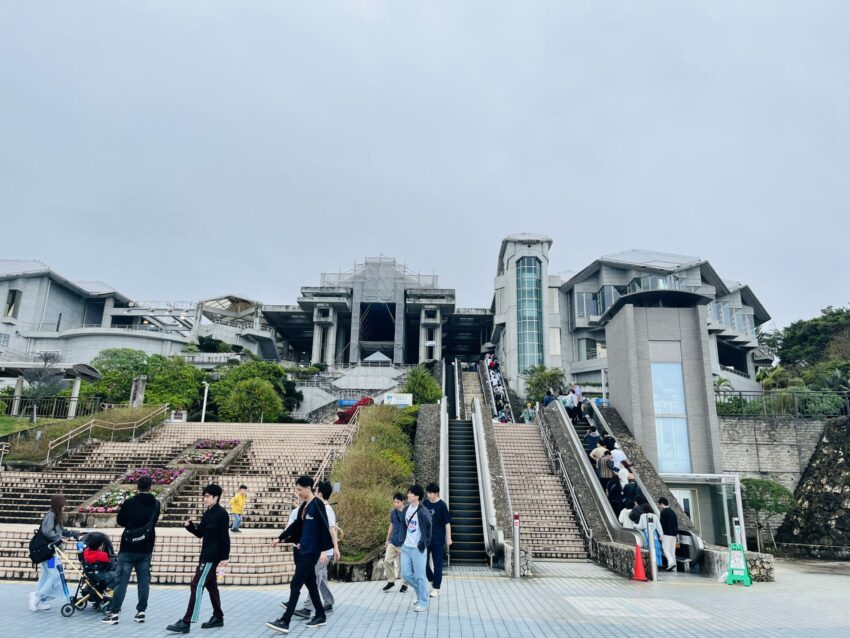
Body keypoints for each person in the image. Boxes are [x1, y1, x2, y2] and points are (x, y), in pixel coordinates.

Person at [266, 475, 334, 633]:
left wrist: (324, 550)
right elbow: (297, 525)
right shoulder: (304, 506)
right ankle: (320, 615)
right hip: (303, 550)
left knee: (295, 583)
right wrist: (280, 538)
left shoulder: (317, 504)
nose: (298, 492)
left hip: (312, 552)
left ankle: (285, 620)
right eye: (297, 489)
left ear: (309, 488)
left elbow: (325, 528)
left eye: (300, 489)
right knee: (310, 584)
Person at [166, 484, 230, 633]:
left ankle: (187, 621)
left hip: (211, 557)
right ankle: (218, 617)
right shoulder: (207, 513)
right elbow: (200, 533)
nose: (204, 498)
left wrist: (225, 557)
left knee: (197, 585)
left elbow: (224, 537)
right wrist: (190, 527)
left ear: (216, 497)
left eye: (207, 496)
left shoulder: (222, 514)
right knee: (211, 586)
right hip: (205, 555)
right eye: (204, 496)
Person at [102, 475, 160, 625]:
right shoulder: (156, 504)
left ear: (137, 487)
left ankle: (114, 613)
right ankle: (141, 612)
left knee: (121, 581)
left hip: (128, 547)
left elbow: (120, 520)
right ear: (150, 487)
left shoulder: (129, 502)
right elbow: (154, 521)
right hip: (146, 547)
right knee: (143, 581)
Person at [295, 481, 340, 618]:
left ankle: (309, 608)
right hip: (321, 550)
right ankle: (329, 601)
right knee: (321, 577)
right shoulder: (318, 506)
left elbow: (332, 529)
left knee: (314, 577)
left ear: (319, 493)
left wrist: (333, 549)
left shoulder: (325, 508)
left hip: (324, 552)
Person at [30, 495, 80, 611]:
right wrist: (59, 539)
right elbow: (47, 531)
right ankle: (37, 596)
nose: (64, 508)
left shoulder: (55, 516)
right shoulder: (51, 515)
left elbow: (61, 530)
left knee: (46, 575)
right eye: (63, 505)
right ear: (59, 505)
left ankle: (40, 601)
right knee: (55, 575)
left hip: (51, 552)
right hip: (47, 551)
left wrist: (74, 533)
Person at [400, 485, 432, 613]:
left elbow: (429, 530)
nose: (408, 495)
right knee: (406, 574)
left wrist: (423, 544)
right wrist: (402, 540)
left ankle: (423, 601)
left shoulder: (423, 512)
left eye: (410, 493)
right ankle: (421, 592)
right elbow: (403, 525)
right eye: (408, 493)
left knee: (420, 576)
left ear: (417, 496)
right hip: (406, 546)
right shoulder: (406, 509)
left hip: (418, 548)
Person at [423, 483, 452, 598]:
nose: (429, 496)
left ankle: (436, 588)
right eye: (428, 493)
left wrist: (448, 537)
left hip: (438, 540)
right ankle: (432, 579)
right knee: (423, 563)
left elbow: (447, 523)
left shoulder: (442, 505)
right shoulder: (425, 503)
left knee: (437, 564)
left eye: (431, 493)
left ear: (436, 493)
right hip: (426, 539)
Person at [382, 493, 408, 593]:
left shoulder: (407, 513)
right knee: (387, 561)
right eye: (394, 502)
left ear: (402, 502)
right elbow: (391, 526)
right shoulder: (393, 513)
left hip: (404, 543)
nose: (396, 504)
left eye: (398, 502)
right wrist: (387, 539)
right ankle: (391, 581)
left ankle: (405, 584)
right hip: (393, 541)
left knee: (404, 566)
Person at [658, 497, 679, 572]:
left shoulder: (664, 512)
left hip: (666, 534)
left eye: (660, 505)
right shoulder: (672, 512)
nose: (660, 506)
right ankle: (674, 568)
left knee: (665, 549)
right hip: (673, 535)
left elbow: (661, 524)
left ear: (662, 504)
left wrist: (661, 534)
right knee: (672, 551)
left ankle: (671, 563)